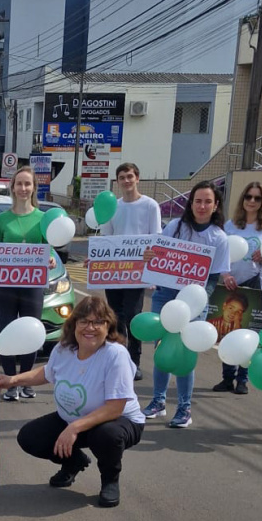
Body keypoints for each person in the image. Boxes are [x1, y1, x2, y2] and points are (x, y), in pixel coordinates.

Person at [0, 296, 144, 508]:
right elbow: (47, 373)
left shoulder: (115, 355)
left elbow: (115, 408)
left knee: (105, 435)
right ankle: (73, 462)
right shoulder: (64, 349)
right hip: (74, 418)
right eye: (83, 321)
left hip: (118, 421)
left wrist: (74, 427)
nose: (90, 328)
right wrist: (13, 380)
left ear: (108, 326)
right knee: (29, 437)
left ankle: (110, 480)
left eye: (98, 322)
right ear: (73, 324)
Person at [141, 180, 230, 428]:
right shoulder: (175, 227)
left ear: (215, 206)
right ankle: (158, 402)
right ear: (191, 204)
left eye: (207, 201)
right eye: (197, 201)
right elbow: (157, 256)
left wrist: (197, 299)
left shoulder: (219, 238)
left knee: (184, 354)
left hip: (193, 303)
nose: (202, 206)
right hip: (165, 297)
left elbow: (213, 279)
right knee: (161, 351)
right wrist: (150, 256)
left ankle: (184, 407)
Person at [0, 166, 54, 401]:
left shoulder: (43, 218)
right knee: (5, 331)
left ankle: (26, 381)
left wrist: (51, 259)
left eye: (28, 184)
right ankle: (9, 382)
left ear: (34, 187)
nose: (23, 188)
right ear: (13, 187)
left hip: (33, 285)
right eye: (19, 184)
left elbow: (49, 247)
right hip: (5, 285)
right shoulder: (2, 219)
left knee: (31, 332)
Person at [214, 181, 262, 394]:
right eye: (248, 197)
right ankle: (227, 378)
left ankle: (243, 380)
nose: (252, 201)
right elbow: (220, 254)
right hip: (231, 283)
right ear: (243, 199)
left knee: (249, 332)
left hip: (257, 284)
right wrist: (225, 274)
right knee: (228, 332)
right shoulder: (230, 226)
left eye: (257, 198)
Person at [99, 163, 162, 381]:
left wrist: (151, 271)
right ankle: (120, 360)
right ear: (117, 182)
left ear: (137, 179)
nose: (126, 181)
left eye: (130, 176)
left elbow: (156, 239)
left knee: (133, 318)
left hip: (138, 273)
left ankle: (134, 362)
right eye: (122, 177)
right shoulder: (112, 208)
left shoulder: (150, 205)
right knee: (115, 318)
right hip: (115, 272)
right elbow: (106, 239)